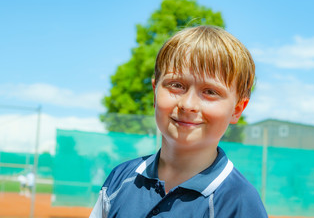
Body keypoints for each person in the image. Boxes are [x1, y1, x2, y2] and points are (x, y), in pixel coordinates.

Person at [90, 26, 268, 217]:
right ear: (154, 92)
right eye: (176, 85)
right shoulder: (120, 179)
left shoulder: (240, 203)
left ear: (237, 110)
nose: (188, 104)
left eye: (210, 92)